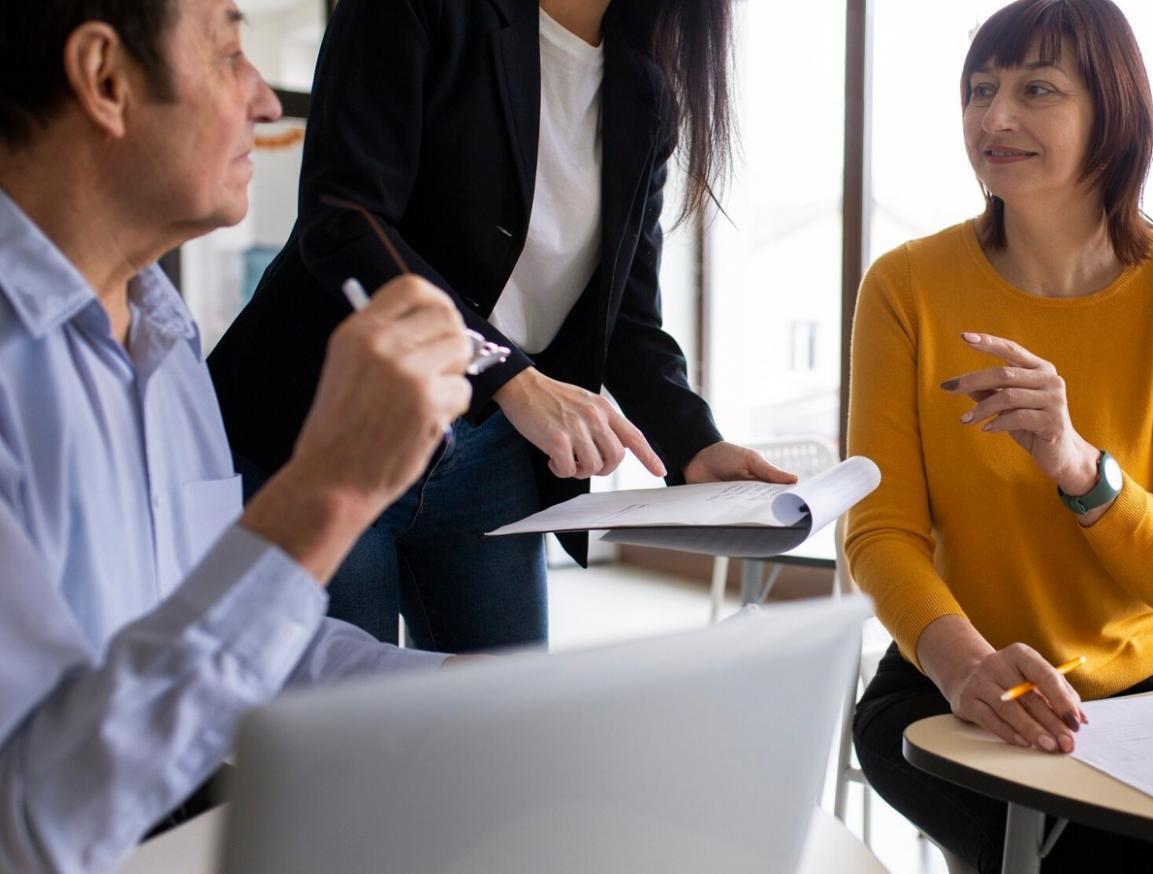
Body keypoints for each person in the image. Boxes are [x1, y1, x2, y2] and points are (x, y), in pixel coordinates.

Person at [0, 0, 484, 874]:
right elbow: (29, 838)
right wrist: (331, 488)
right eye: (228, 55)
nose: (266, 102)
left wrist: (475, 698)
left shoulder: (164, 341)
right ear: (106, 80)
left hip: (160, 845)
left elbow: (254, 643)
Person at [844, 1, 1153, 874]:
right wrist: (963, 669)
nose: (994, 118)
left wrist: (1081, 468)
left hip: (1148, 692)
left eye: (1036, 89)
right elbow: (877, 528)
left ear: (1112, 113)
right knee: (1064, 859)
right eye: (979, 91)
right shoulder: (907, 285)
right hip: (945, 678)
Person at [207, 0, 787, 654]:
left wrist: (693, 445)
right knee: (347, 736)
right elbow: (344, 221)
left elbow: (623, 312)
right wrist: (509, 373)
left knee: (502, 725)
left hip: (488, 456)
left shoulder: (645, 89)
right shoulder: (422, 13)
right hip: (328, 423)